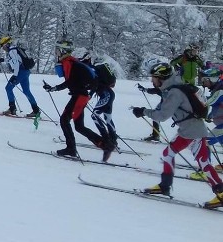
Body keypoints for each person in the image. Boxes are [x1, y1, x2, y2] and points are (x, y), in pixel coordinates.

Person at [133, 62, 223, 208]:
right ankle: (165, 185)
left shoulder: (175, 92)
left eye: (154, 78)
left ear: (162, 77)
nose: (152, 81)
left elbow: (162, 115)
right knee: (168, 154)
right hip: (187, 131)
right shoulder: (175, 87)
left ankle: (221, 192)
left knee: (203, 162)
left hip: (193, 132)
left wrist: (143, 111)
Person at [43, 39, 113, 158]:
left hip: (79, 97)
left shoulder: (68, 62)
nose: (56, 53)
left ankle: (73, 148)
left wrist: (54, 88)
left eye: (57, 50)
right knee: (78, 125)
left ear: (63, 51)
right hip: (80, 96)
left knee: (65, 120)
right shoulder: (71, 61)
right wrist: (55, 88)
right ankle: (104, 144)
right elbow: (72, 81)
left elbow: (70, 82)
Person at [0, 36, 40, 118]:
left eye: (3, 46)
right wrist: (2, 60)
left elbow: (15, 64)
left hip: (20, 72)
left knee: (8, 88)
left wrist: (15, 76)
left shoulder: (12, 51)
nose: (3, 48)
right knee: (27, 91)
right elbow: (14, 60)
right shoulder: (16, 49)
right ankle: (36, 110)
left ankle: (12, 109)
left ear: (7, 44)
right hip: (26, 71)